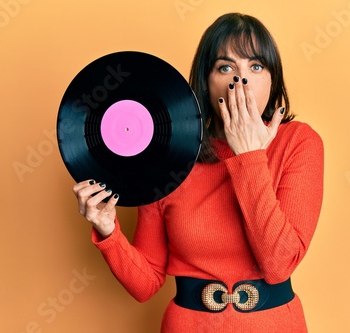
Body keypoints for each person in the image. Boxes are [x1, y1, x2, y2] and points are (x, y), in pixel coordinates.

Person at [73, 12, 324, 332]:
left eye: (256, 66)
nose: (241, 80)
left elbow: (277, 266)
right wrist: (109, 231)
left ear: (272, 79)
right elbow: (145, 284)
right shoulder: (169, 155)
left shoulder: (299, 142)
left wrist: (248, 155)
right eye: (226, 67)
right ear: (205, 84)